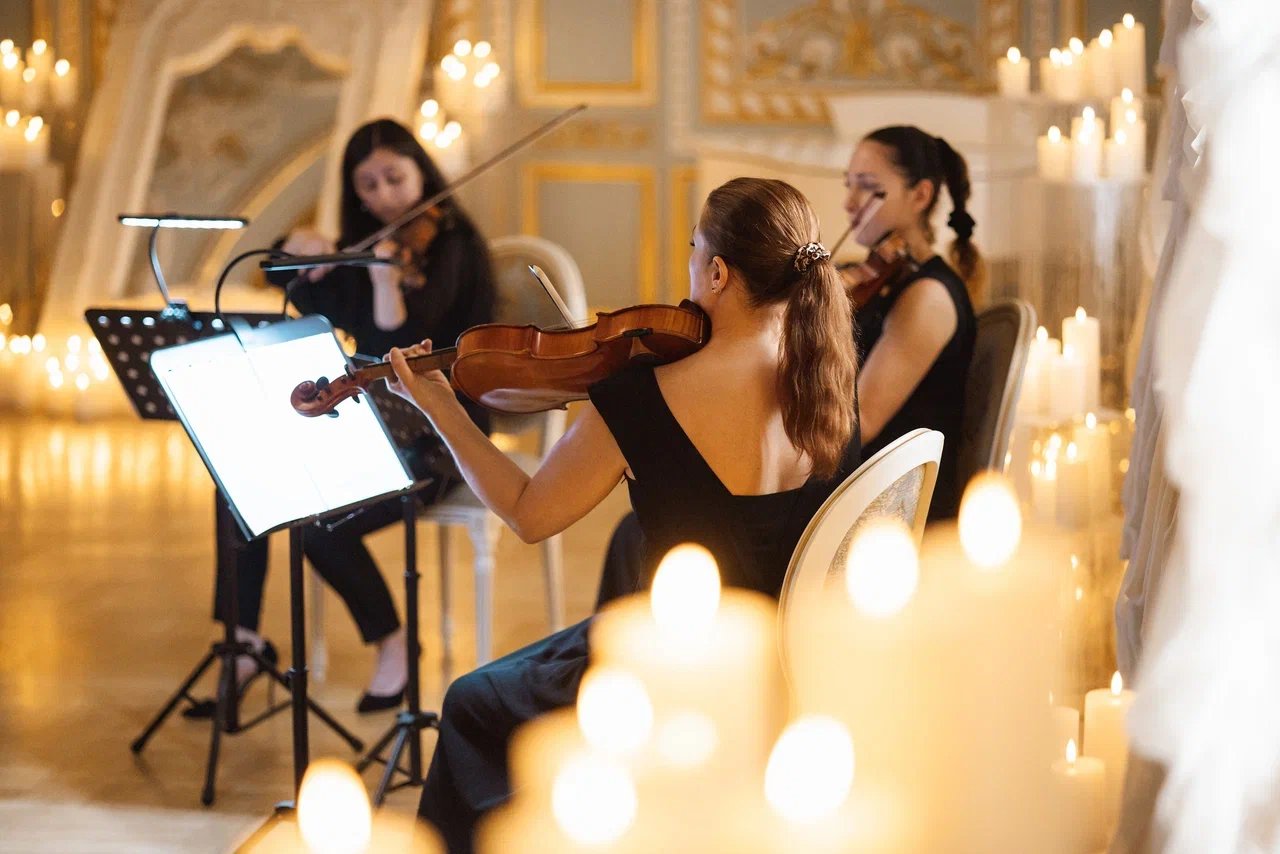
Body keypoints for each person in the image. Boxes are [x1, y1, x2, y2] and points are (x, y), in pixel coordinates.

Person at [386, 177, 861, 852]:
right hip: (784, 656)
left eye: (695, 249)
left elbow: (527, 513)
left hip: (667, 668)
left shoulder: (643, 395)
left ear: (718, 273)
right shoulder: (828, 380)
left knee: (472, 702)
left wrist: (443, 410)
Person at [210, 118, 496, 714]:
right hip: (373, 420)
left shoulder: (455, 249)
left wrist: (385, 283)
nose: (384, 195)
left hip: (443, 436)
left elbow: (406, 352)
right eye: (368, 185)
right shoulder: (366, 247)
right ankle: (242, 644)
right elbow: (302, 295)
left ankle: (394, 644)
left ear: (422, 172)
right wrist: (298, 249)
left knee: (322, 527)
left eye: (395, 178)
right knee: (236, 482)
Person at [841, 125, 983, 520]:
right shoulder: (875, 279)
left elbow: (859, 425)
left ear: (920, 195)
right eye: (848, 184)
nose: (849, 203)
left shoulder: (928, 296)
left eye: (868, 188)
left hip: (892, 511)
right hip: (860, 488)